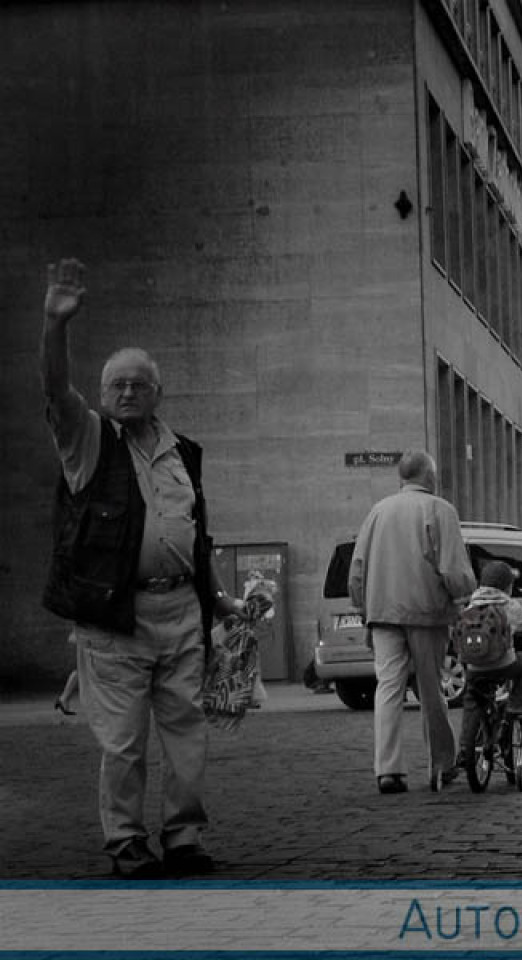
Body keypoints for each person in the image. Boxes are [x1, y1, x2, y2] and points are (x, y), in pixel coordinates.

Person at [40, 258, 244, 878]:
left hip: (181, 611)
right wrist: (55, 326)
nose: (127, 392)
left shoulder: (183, 452)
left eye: (138, 384)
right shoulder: (88, 439)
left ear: (159, 391)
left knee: (188, 735)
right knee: (123, 743)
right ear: (102, 395)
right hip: (115, 618)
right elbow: (54, 389)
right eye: (116, 385)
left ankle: (184, 838)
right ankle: (127, 844)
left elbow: (193, 536)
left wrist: (221, 601)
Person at [348, 449, 475, 795]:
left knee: (388, 687)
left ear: (401, 478)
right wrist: (464, 594)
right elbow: (453, 569)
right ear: (429, 477)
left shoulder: (377, 512)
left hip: (382, 612)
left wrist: (364, 607)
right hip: (426, 612)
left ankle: (388, 770)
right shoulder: (439, 510)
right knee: (431, 688)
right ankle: (441, 763)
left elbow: (357, 568)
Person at [459, 562, 522, 728]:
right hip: (503, 664)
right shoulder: (507, 604)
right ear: (507, 587)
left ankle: (465, 749)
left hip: (474, 667)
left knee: (471, 703)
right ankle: (518, 702)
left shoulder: (472, 603)